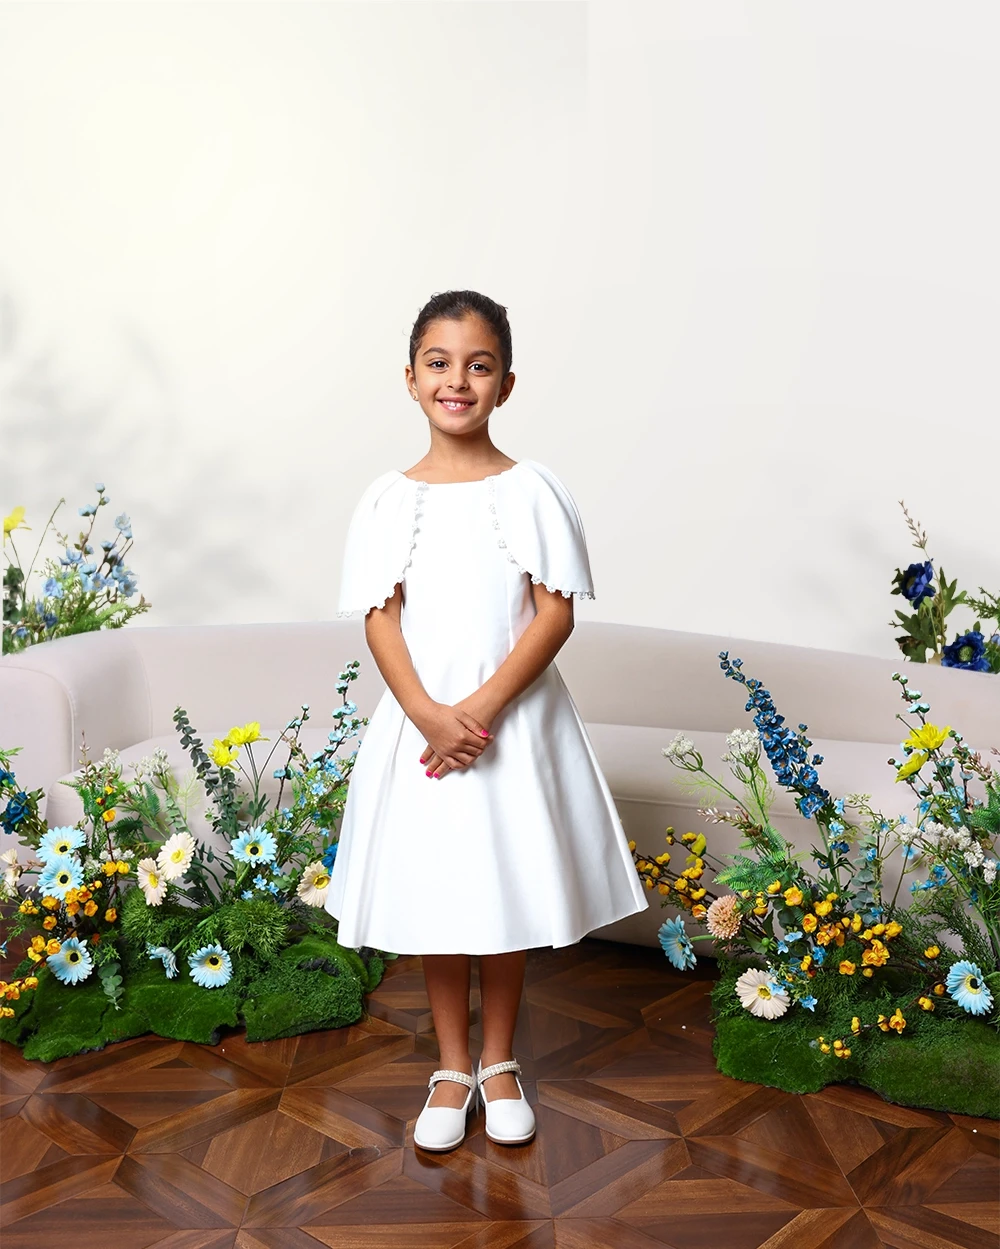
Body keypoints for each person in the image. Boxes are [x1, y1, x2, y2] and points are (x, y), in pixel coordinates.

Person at [326, 289, 648, 1151]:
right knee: (442, 887)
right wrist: (430, 715)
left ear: (506, 383)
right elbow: (379, 618)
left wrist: (480, 708)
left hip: (510, 724)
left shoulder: (532, 490)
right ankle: (450, 1064)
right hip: (422, 728)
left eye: (478, 365)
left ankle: (500, 1062)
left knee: (498, 886)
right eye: (440, 363)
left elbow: (554, 612)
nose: (457, 380)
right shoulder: (389, 500)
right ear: (410, 378)